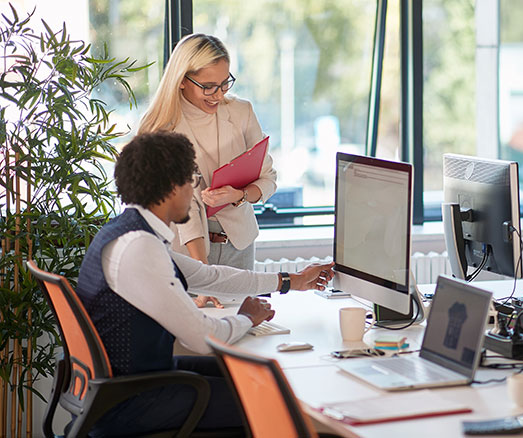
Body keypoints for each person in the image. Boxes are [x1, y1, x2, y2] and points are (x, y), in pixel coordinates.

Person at [74, 131, 333, 436]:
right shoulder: (139, 248)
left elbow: (209, 276)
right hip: (130, 402)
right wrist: (247, 318)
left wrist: (291, 280)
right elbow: (203, 338)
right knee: (269, 400)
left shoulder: (127, 233)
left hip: (124, 386)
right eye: (192, 181)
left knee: (259, 378)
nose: (195, 191)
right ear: (172, 186)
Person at [139, 33, 272, 308]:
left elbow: (269, 178)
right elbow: (184, 212)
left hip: (238, 242)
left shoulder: (242, 112)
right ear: (183, 80)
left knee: (242, 326)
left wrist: (240, 195)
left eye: (225, 83)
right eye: (209, 87)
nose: (219, 94)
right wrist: (202, 273)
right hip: (188, 248)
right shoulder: (163, 128)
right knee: (197, 336)